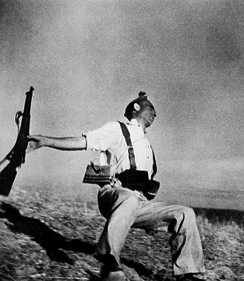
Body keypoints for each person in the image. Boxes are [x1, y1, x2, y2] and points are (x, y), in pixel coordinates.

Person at [28, 92, 206, 281]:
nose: (155, 114)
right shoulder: (117, 129)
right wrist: (46, 141)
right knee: (128, 198)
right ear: (136, 107)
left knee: (185, 213)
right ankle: (109, 260)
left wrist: (151, 215)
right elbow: (83, 142)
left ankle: (189, 274)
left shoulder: (147, 146)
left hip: (138, 202)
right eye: (151, 108)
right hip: (113, 194)